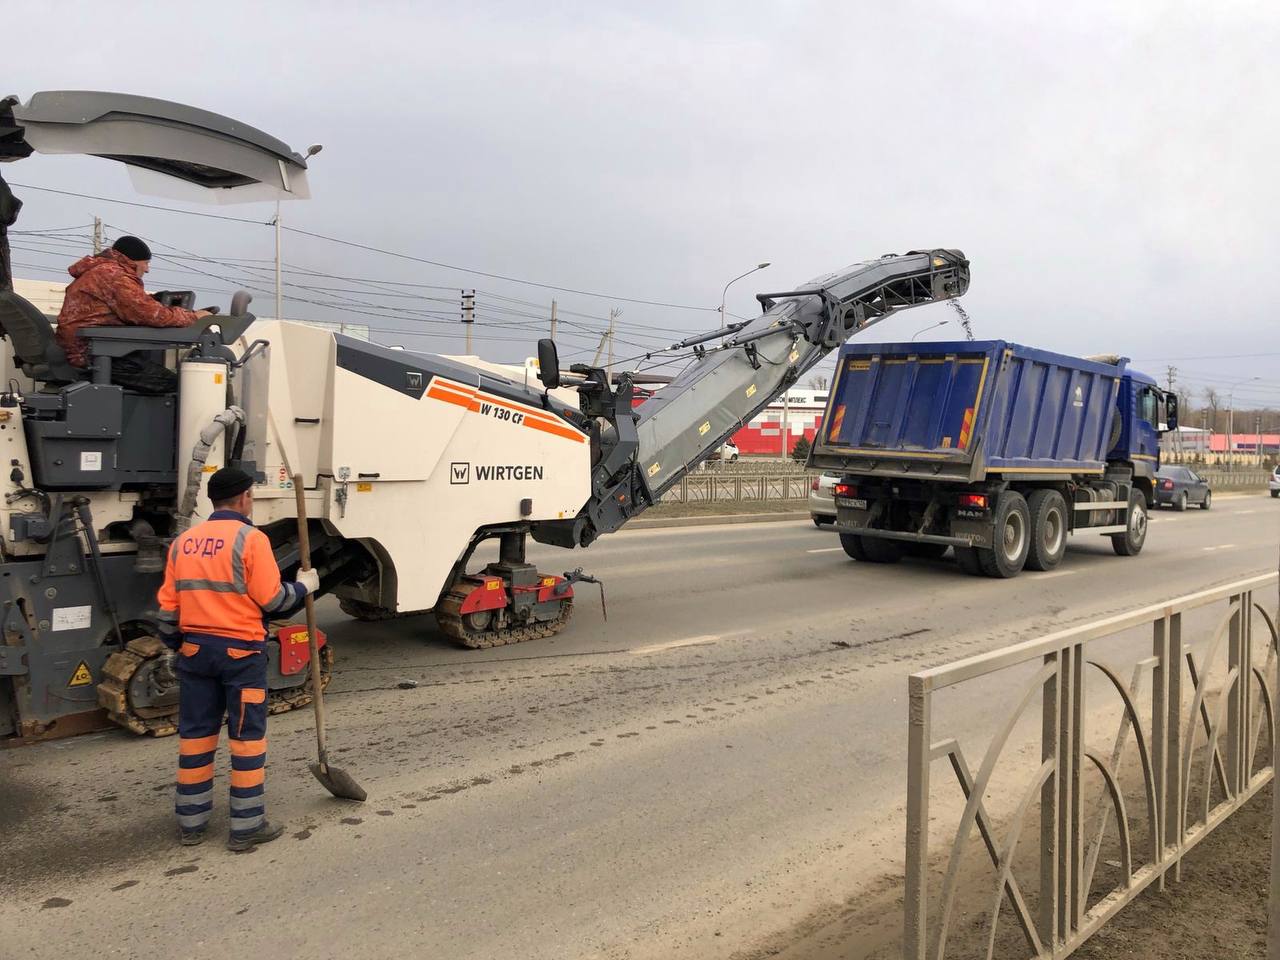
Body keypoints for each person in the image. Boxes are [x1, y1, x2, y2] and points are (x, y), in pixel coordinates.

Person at [154, 466, 320, 851]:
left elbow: (166, 609)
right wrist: (304, 585)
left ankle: (191, 823)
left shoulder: (185, 541)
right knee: (246, 738)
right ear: (245, 497)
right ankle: (246, 827)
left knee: (196, 735)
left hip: (195, 652)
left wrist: (180, 644)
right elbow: (273, 600)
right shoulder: (251, 539)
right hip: (240, 654)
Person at [55, 235, 212, 394]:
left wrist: (149, 300)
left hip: (87, 349)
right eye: (146, 263)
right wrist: (194, 317)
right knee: (178, 385)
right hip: (94, 355)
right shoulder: (115, 275)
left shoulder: (101, 271)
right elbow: (151, 315)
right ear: (132, 261)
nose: (147, 269)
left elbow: (125, 306)